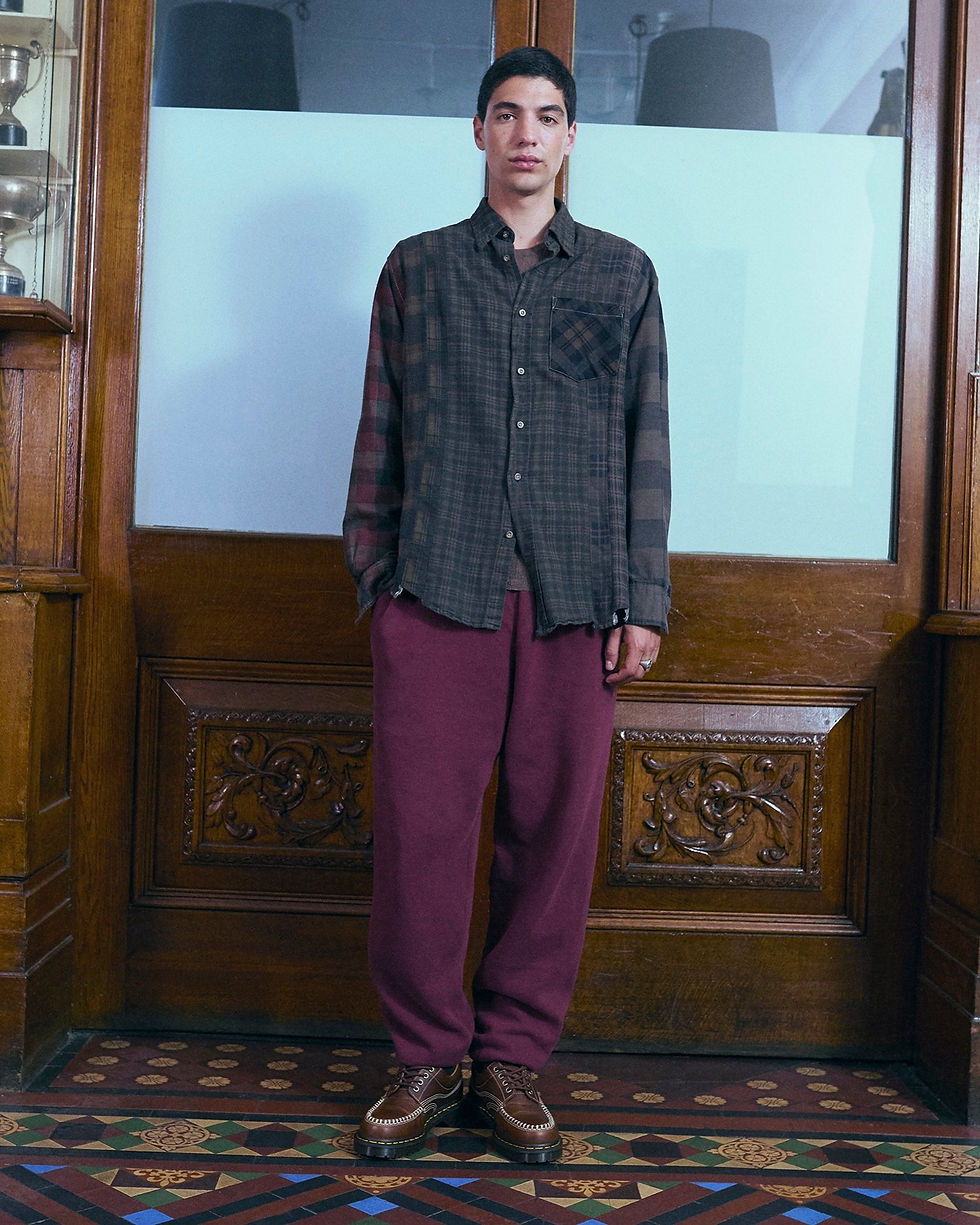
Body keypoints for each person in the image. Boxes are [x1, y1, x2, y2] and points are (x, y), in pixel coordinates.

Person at [342, 45, 670, 1164]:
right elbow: (380, 428)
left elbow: (645, 444)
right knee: (422, 838)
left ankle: (512, 1061)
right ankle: (425, 1057)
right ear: (479, 133)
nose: (527, 133)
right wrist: (378, 581)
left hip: (579, 599)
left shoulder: (621, 275)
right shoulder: (419, 269)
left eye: (547, 115)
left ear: (570, 138)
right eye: (507, 113)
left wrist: (643, 598)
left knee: (553, 837)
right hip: (438, 590)